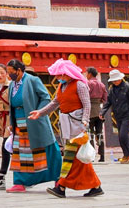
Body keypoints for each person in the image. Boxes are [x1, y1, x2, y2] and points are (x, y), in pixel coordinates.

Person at [41, 59, 102, 198]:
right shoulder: (62, 87)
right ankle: (96, 186)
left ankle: (61, 187)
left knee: (70, 156)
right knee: (79, 159)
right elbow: (54, 103)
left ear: (67, 73)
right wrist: (40, 113)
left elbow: (87, 105)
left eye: (59, 75)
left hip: (78, 125)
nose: (57, 78)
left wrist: (85, 121)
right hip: (67, 126)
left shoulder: (80, 85)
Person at [5, 57, 60, 193]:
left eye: (11, 71)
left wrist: (39, 112)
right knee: (21, 154)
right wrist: (12, 122)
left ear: (19, 70)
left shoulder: (32, 80)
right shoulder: (12, 84)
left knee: (48, 149)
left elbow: (45, 97)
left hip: (35, 122)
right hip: (19, 123)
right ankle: (20, 182)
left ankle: (58, 178)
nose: (8, 74)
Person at [102, 69, 129, 164]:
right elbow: (108, 102)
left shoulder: (128, 87)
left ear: (121, 78)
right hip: (118, 115)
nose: (115, 82)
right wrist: (102, 112)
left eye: (116, 80)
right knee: (120, 137)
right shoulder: (112, 89)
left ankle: (128, 155)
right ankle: (128, 156)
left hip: (127, 115)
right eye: (114, 80)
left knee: (123, 136)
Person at [84, 67, 106, 163]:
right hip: (99, 111)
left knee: (90, 134)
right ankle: (102, 155)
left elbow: (85, 96)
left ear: (89, 74)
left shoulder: (88, 83)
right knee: (99, 133)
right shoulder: (102, 84)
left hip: (90, 110)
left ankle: (92, 155)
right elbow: (105, 99)